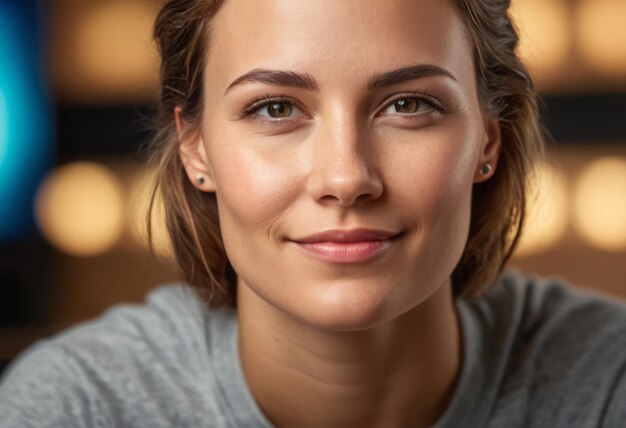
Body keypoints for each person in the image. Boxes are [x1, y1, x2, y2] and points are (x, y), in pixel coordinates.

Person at [1, 0, 625, 426]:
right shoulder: (75, 407)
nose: (346, 178)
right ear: (195, 147)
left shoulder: (608, 386)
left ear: (490, 138)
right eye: (274, 109)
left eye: (408, 104)